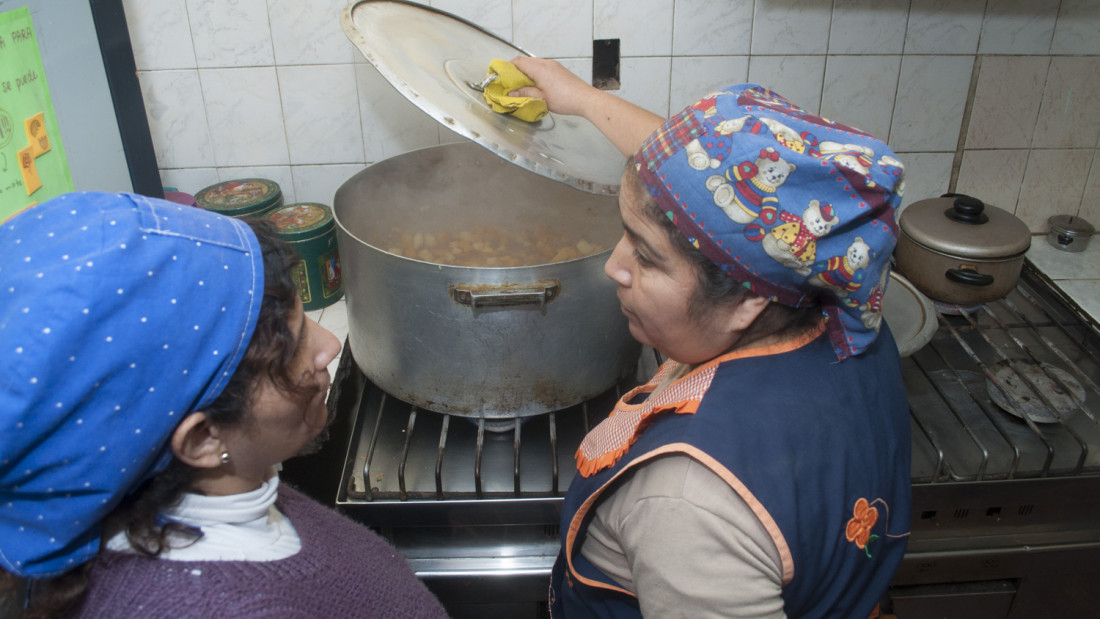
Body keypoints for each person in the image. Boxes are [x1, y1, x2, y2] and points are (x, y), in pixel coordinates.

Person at [511, 57, 912, 619]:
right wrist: (579, 98)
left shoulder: (684, 504)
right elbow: (713, 184)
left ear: (749, 299)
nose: (613, 268)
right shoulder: (847, 303)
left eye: (645, 256)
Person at [0, 191, 448, 618]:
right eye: (292, 352)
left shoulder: (212, 481)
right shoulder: (220, 608)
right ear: (202, 439)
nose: (331, 344)